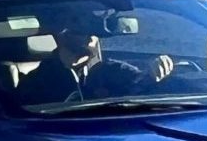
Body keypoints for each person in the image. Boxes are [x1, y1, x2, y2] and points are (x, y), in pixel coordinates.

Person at [14, 10, 176, 106]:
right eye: (81, 27)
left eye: (94, 29)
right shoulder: (38, 81)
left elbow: (140, 84)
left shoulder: (112, 71)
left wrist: (154, 75)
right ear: (62, 33)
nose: (92, 36)